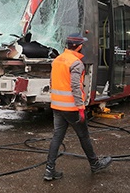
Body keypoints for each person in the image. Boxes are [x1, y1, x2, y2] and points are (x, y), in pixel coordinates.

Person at [44, 33, 112, 181]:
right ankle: (95, 164)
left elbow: (52, 81)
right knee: (83, 136)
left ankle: (49, 170)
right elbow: (75, 86)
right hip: (72, 108)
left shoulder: (57, 60)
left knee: (57, 137)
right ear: (79, 46)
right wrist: (81, 107)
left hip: (57, 106)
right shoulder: (76, 63)